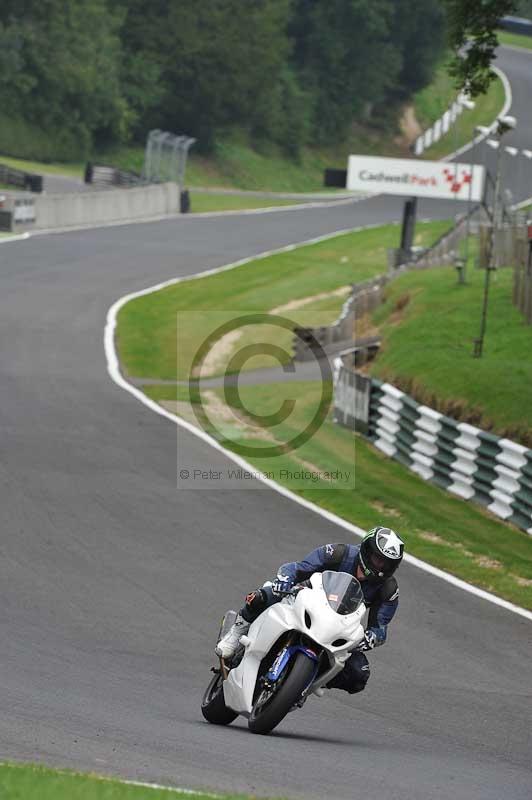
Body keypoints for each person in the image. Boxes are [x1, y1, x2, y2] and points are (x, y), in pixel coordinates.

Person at [215, 526, 404, 694]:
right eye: (378, 560)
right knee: (264, 595)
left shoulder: (388, 589)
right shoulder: (339, 553)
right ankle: (236, 632)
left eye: (387, 564)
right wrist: (285, 580)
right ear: (366, 550)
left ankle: (310, 680)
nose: (381, 567)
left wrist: (372, 637)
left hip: (338, 624)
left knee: (358, 674)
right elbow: (298, 568)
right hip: (307, 598)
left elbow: (380, 627)